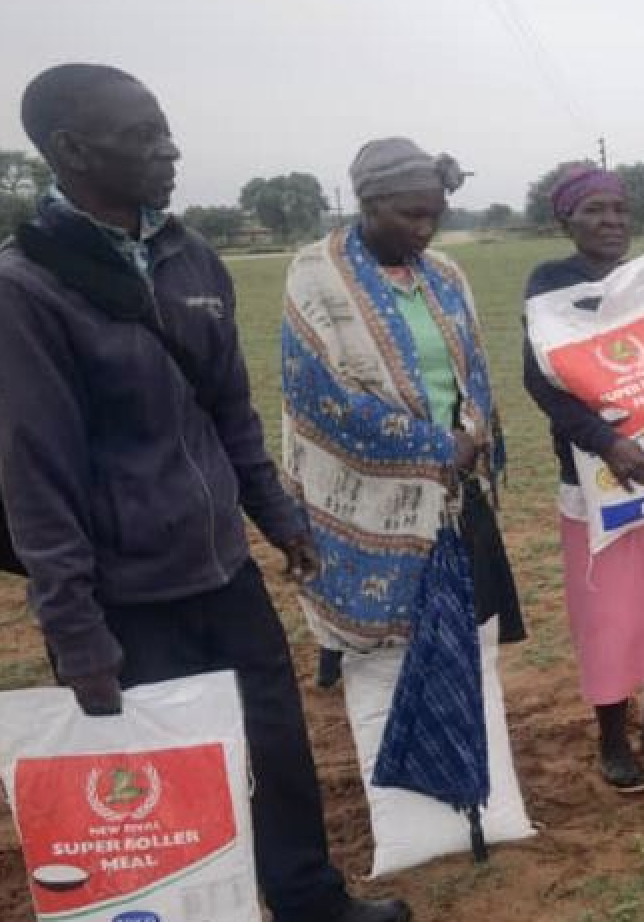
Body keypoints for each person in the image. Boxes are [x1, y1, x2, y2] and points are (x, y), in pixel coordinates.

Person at [0, 64, 407, 922]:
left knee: (276, 743)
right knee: (160, 777)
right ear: (71, 150)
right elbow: (36, 474)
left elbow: (229, 409)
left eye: (165, 128)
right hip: (124, 596)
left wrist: (277, 519)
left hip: (223, 571)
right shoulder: (26, 288)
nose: (170, 148)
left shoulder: (190, 256)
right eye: (143, 135)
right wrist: (74, 632)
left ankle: (308, 901)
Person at [282, 139, 516, 836]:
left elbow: (473, 363)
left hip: (454, 491)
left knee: (466, 636)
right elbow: (318, 393)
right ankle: (411, 807)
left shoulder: (443, 273)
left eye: (434, 215)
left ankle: (477, 785)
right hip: (371, 498)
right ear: (368, 203)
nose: (424, 229)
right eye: (410, 214)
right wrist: (433, 444)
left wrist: (469, 432)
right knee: (385, 653)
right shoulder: (315, 275)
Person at [523, 167, 644, 789]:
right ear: (566, 222)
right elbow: (540, 381)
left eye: (619, 210)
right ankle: (612, 740)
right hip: (599, 483)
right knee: (608, 617)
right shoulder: (550, 284)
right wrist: (605, 440)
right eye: (594, 211)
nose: (611, 221)